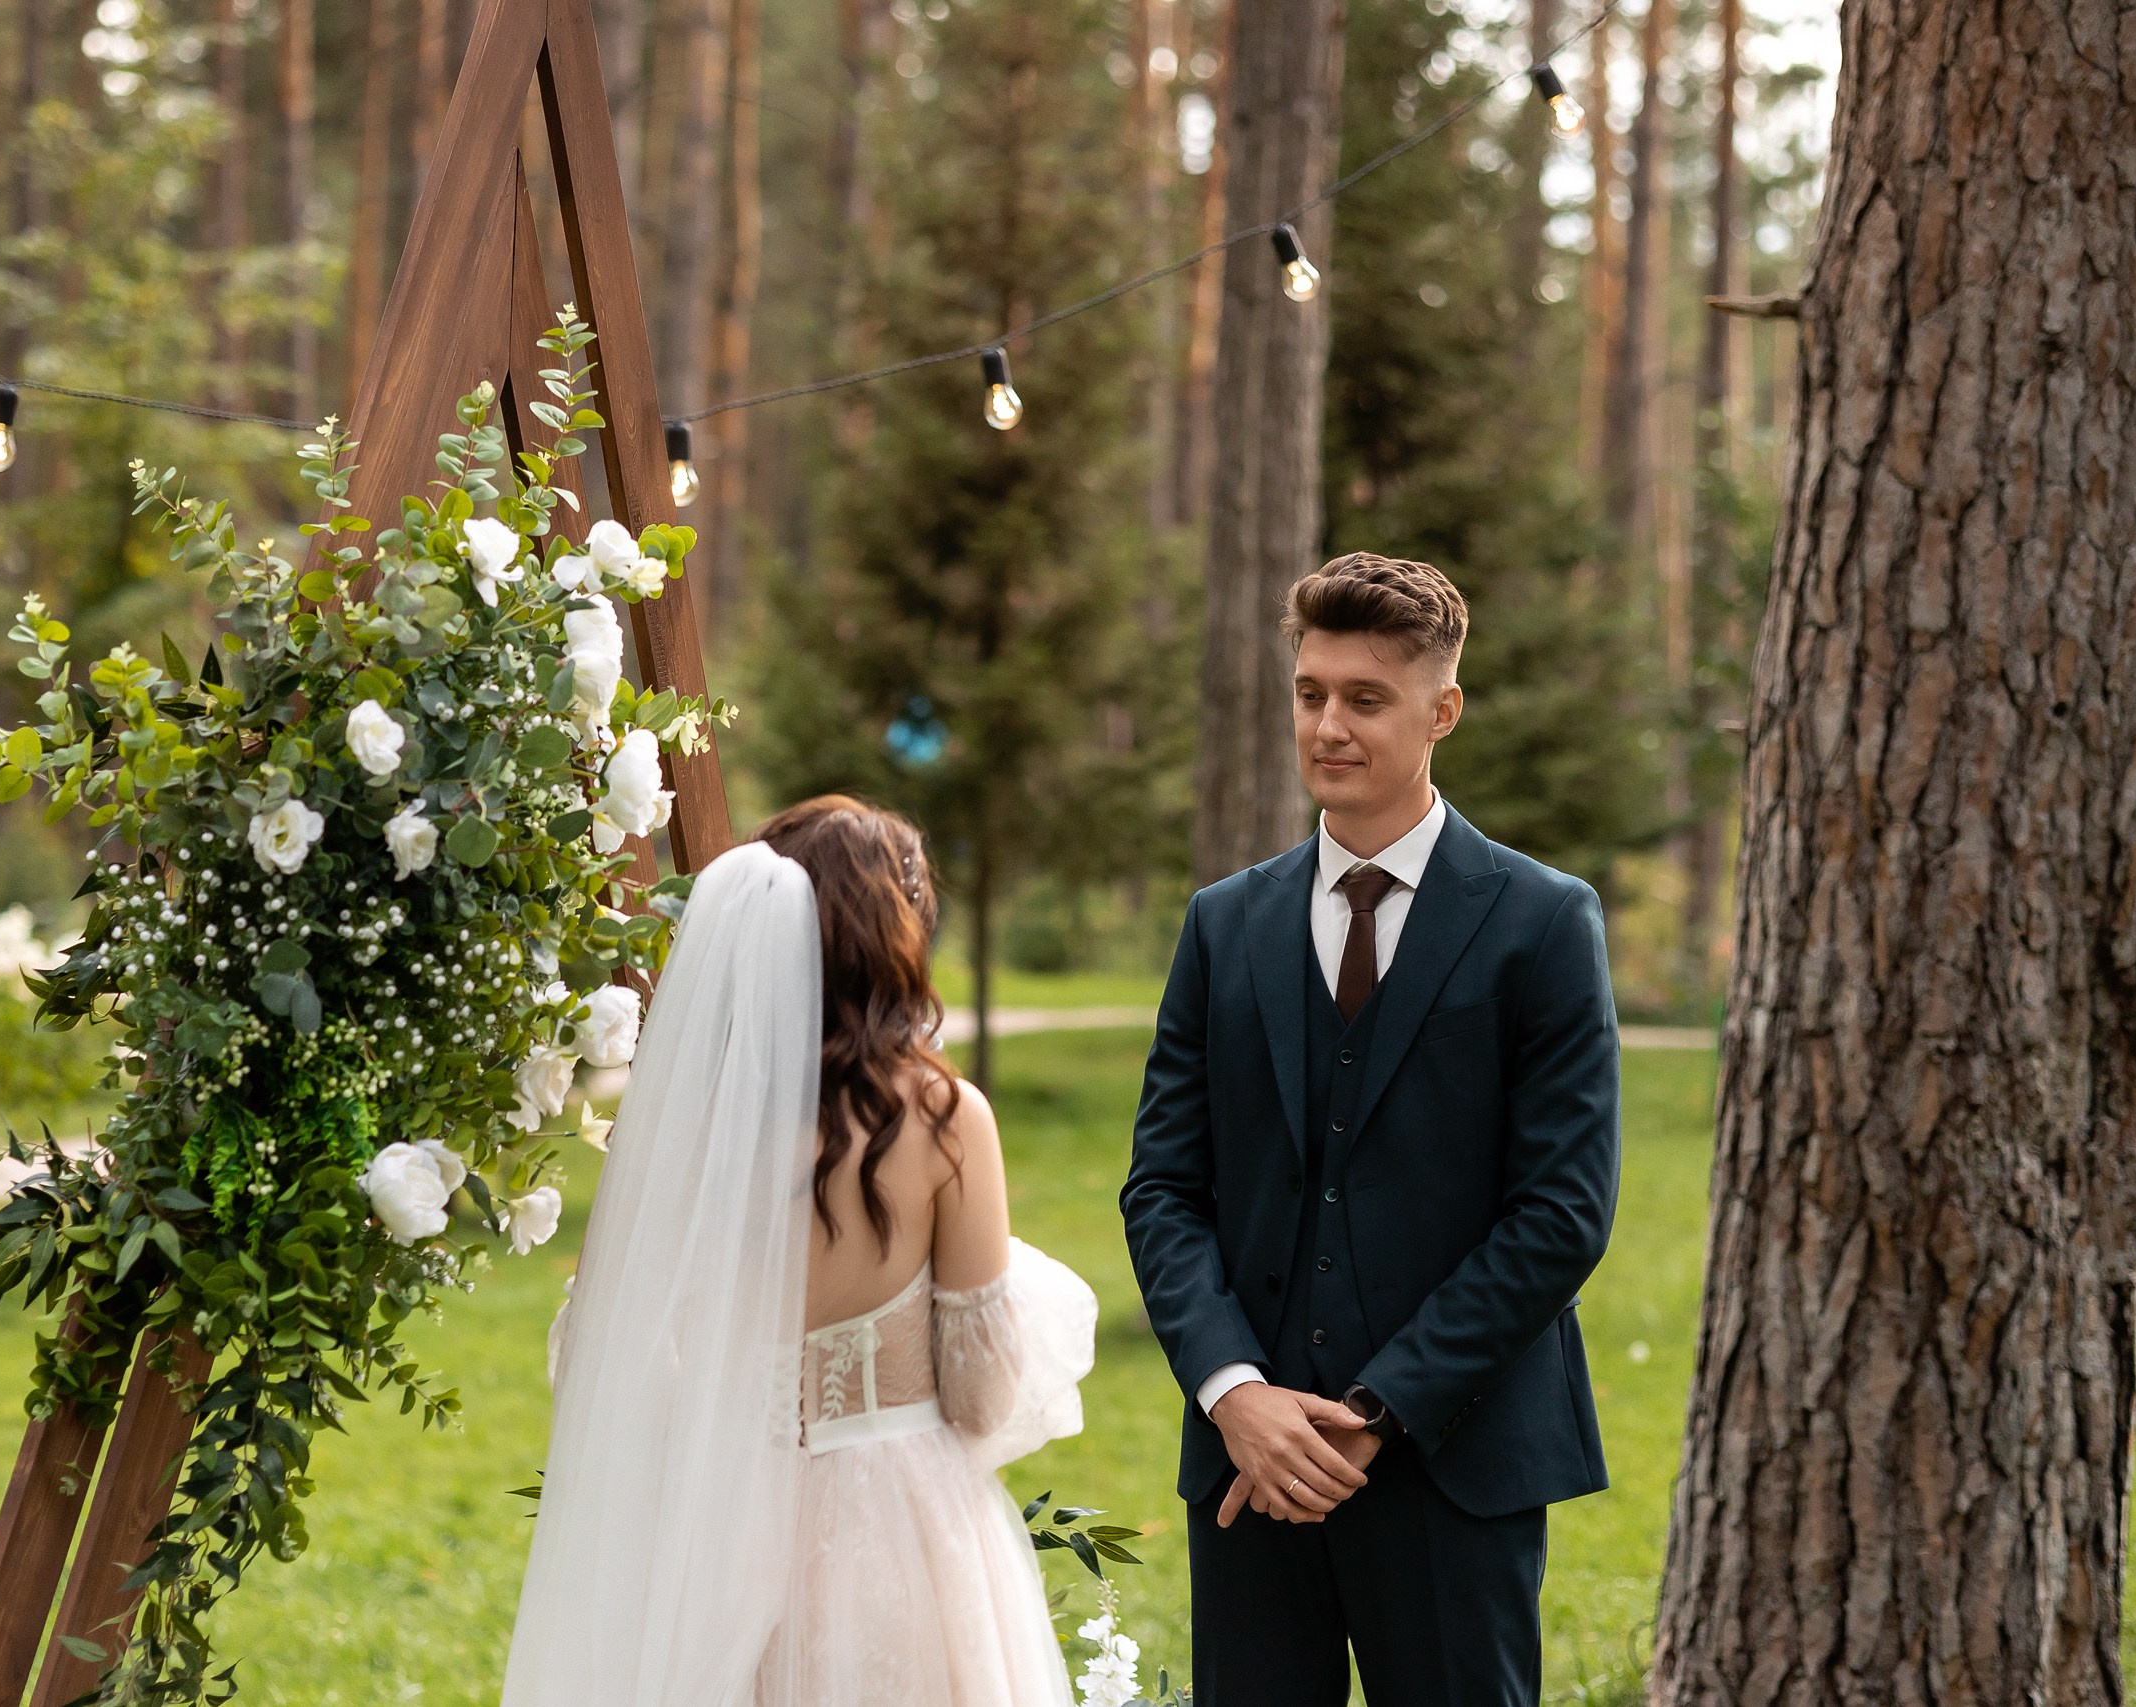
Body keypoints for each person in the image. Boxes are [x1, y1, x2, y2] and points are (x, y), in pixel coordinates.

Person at [1122, 554, 1620, 1705]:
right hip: (1249, 1464)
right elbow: (1163, 1189)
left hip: (1455, 1462)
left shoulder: (1542, 923)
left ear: (1440, 710)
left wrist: (1376, 1409)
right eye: (1309, 693)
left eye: (1364, 698)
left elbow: (1560, 1214)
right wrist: (1233, 1391)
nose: (1328, 724)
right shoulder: (1223, 923)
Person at [502, 795, 1096, 1707]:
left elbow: (597, 1359)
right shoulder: (942, 1121)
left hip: (717, 1531)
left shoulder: (681, 1130)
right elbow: (981, 1394)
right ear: (892, 937)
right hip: (899, 1531)